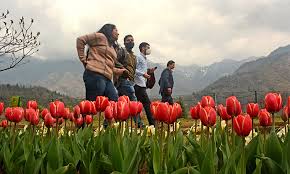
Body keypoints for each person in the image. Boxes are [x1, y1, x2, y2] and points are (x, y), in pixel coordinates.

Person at [76, 23, 127, 102]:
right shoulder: (101, 37)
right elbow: (80, 40)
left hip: (107, 78)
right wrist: (83, 60)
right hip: (95, 75)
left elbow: (108, 64)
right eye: (116, 30)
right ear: (110, 30)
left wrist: (117, 71)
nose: (118, 33)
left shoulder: (112, 47)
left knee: (114, 102)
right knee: (93, 105)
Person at [115, 35, 144, 127]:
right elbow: (114, 61)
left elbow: (133, 69)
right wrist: (123, 69)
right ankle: (139, 124)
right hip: (123, 79)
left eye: (132, 40)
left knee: (118, 103)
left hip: (130, 81)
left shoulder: (134, 56)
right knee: (133, 100)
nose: (130, 42)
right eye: (128, 40)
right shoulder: (122, 51)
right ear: (124, 42)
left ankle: (107, 124)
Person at [134, 42, 155, 126]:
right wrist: (143, 74)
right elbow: (133, 70)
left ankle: (139, 124)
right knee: (147, 104)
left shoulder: (144, 58)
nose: (149, 49)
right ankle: (152, 124)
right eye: (147, 47)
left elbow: (141, 70)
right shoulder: (138, 57)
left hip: (142, 85)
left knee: (138, 105)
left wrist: (149, 72)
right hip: (138, 84)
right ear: (143, 48)